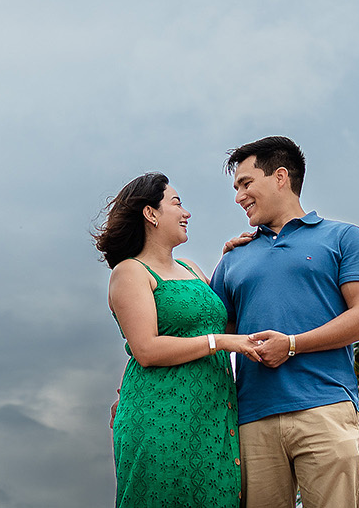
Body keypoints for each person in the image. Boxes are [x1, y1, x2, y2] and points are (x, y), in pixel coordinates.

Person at [211, 136, 359, 508]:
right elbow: (209, 339)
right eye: (236, 187)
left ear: (280, 177)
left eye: (245, 183)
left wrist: (291, 344)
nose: (238, 196)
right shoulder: (232, 259)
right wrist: (131, 391)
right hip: (253, 419)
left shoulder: (342, 237)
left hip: (326, 408)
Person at [99, 172, 257, 508]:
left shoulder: (194, 268)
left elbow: (214, 320)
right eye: (177, 203)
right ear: (151, 214)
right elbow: (146, 349)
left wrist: (235, 257)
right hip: (162, 417)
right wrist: (222, 343)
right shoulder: (130, 272)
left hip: (213, 416)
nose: (186, 213)